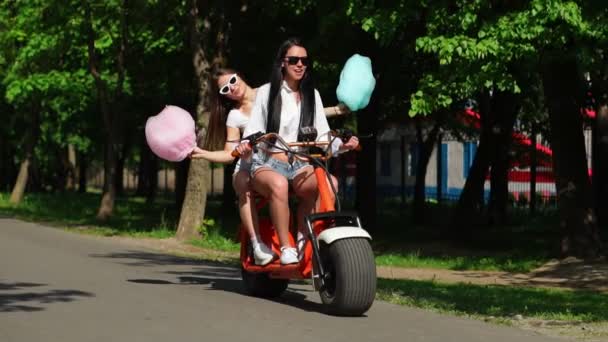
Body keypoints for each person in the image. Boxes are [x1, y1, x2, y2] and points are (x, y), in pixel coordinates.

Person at [190, 67, 350, 265]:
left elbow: (300, 112)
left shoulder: (268, 93)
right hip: (251, 162)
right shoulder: (235, 116)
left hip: (285, 158)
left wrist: (336, 110)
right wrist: (203, 154)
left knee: (322, 182)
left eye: (232, 81)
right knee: (243, 183)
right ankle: (257, 245)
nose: (231, 88)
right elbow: (230, 153)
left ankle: (304, 238)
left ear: (239, 75)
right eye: (225, 89)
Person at [237, 38, 359, 265]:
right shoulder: (266, 92)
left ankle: (304, 237)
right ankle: (286, 247)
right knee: (279, 185)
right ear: (282, 63)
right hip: (268, 163)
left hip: (301, 164)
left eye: (304, 60)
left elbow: (323, 137)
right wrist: (246, 144)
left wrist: (342, 145)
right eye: (293, 60)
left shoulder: (312, 95)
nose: (300, 64)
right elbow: (252, 131)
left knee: (329, 184)